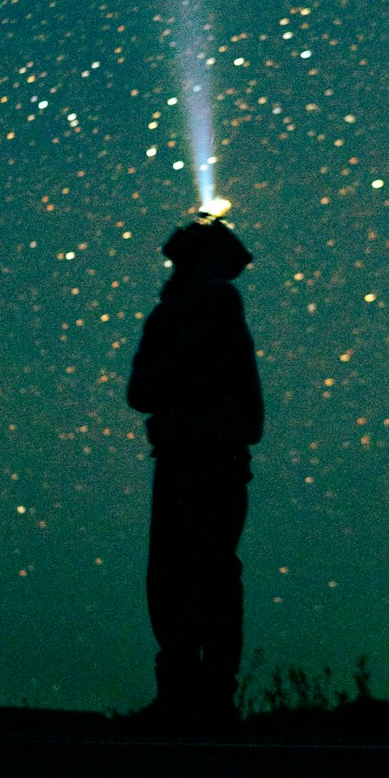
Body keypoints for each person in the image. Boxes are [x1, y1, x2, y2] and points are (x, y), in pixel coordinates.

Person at [127, 215, 264, 725]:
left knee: (203, 572)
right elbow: (141, 390)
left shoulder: (212, 302)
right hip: (189, 453)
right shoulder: (168, 315)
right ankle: (189, 693)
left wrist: (174, 382)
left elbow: (168, 378)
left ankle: (207, 696)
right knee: (179, 574)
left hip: (211, 452)